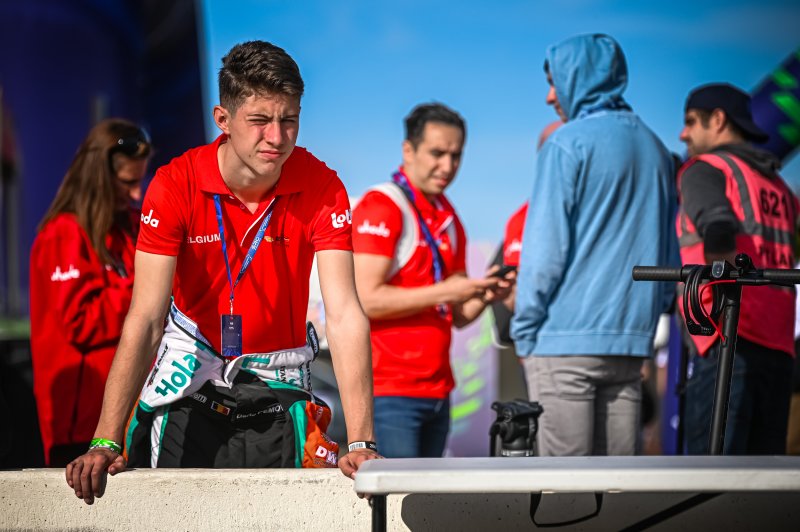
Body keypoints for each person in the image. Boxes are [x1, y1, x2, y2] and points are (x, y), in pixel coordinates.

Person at [65, 41, 379, 505]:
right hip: (190, 380)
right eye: (260, 120)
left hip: (277, 385)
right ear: (223, 119)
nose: (277, 137)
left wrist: (361, 442)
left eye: (289, 120)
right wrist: (105, 439)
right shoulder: (175, 183)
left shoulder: (323, 184)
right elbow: (146, 317)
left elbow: (346, 313)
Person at [511, 33, 678, 456]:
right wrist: (643, 321)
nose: (550, 96)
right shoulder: (658, 150)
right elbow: (669, 258)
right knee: (618, 484)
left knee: (566, 485)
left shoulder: (565, 143)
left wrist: (524, 332)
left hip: (563, 345)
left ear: (578, 77)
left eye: (554, 82)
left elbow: (544, 253)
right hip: (630, 345)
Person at [352, 103, 512, 458]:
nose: (448, 166)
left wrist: (486, 292)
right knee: (396, 493)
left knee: (425, 492)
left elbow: (458, 315)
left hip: (438, 391)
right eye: (437, 153)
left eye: (456, 155)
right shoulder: (383, 205)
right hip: (389, 391)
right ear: (408, 150)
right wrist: (446, 290)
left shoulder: (448, 216)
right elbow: (365, 301)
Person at [677, 83, 799, 454]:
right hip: (779, 347)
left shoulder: (705, 170)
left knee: (711, 477)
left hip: (729, 339)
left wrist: (718, 295)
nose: (683, 134)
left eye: (690, 122)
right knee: (762, 478)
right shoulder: (779, 187)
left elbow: (717, 227)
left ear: (718, 120)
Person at [29, 119, 151, 466]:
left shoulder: (132, 225)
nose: (137, 193)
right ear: (99, 176)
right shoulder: (63, 233)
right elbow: (82, 323)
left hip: (130, 415)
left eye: (140, 181)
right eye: (127, 182)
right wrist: (148, 286)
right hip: (81, 427)